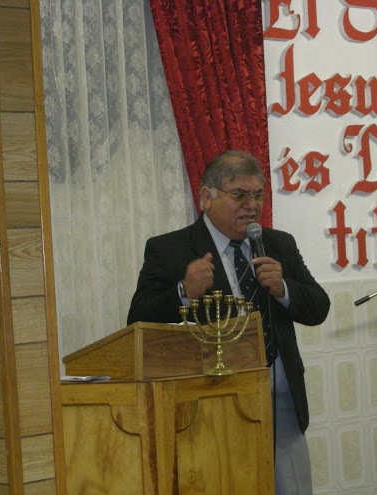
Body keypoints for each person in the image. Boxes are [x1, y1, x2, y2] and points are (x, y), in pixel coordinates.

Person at [127, 149, 330, 494]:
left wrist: (283, 288)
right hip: (209, 404)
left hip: (280, 398)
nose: (252, 205)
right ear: (206, 197)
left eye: (258, 195)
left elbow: (318, 307)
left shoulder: (277, 244)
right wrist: (183, 291)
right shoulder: (171, 249)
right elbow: (137, 321)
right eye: (240, 195)